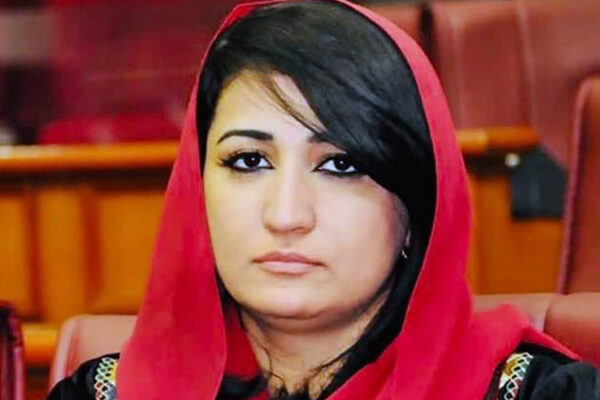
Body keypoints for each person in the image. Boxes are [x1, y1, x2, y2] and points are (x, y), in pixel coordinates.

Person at [47, 1, 600, 399]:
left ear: (416, 210)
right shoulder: (105, 393)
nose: (286, 215)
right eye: (248, 161)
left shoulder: (536, 392)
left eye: (341, 166)